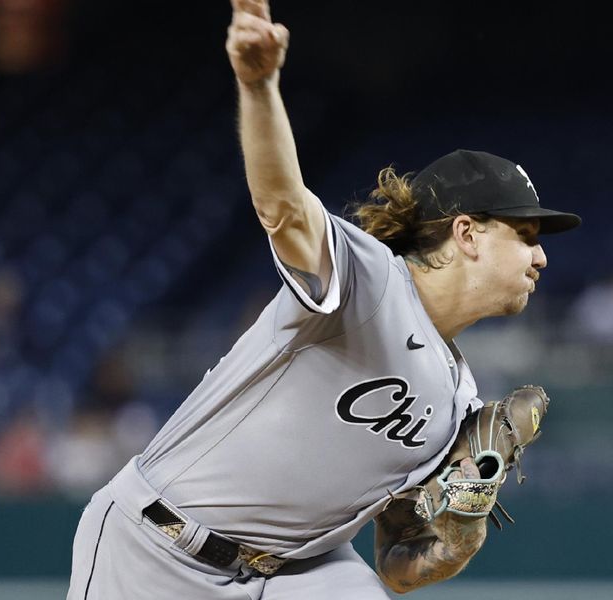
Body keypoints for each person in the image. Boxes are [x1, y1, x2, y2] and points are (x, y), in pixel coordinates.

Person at [67, 1, 581, 598]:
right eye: (524, 236)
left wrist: (461, 529)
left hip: (291, 574)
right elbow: (282, 207)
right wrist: (259, 87)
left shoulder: (458, 398)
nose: (541, 257)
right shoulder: (368, 280)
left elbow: (398, 566)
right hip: (159, 547)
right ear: (466, 233)